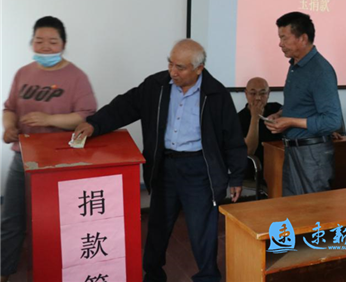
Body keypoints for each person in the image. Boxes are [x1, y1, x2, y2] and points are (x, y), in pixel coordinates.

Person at [73, 39, 246, 282]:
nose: (173, 71)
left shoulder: (216, 94)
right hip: (164, 166)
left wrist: (236, 176)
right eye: (170, 64)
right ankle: (153, 275)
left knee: (202, 229)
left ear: (199, 68)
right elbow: (124, 106)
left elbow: (233, 137)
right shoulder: (156, 86)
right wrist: (95, 124)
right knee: (158, 226)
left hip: (199, 168)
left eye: (180, 67)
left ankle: (207, 277)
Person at [2, 16, 97, 282]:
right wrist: (8, 128)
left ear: (63, 44)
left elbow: (86, 117)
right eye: (39, 41)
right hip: (22, 157)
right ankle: (3, 273)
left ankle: (60, 273)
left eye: (52, 42)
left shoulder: (76, 77)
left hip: (59, 162)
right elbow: (9, 108)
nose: (45, 47)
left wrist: (49, 119)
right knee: (10, 220)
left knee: (57, 223)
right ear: (31, 42)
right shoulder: (23, 73)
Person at [265, 12, 342, 196]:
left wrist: (290, 121)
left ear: (303, 38)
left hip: (312, 154)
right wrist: (281, 114)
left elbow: (332, 121)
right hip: (293, 149)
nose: (280, 44)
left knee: (313, 209)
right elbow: (303, 104)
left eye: (284, 38)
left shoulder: (320, 70)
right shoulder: (295, 66)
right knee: (292, 208)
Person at [237, 77, 282, 183]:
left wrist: (278, 114)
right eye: (253, 93)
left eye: (262, 93)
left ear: (268, 93)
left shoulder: (275, 108)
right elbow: (249, 150)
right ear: (246, 94)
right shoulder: (238, 119)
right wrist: (255, 118)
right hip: (255, 169)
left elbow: (288, 109)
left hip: (279, 164)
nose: (258, 98)